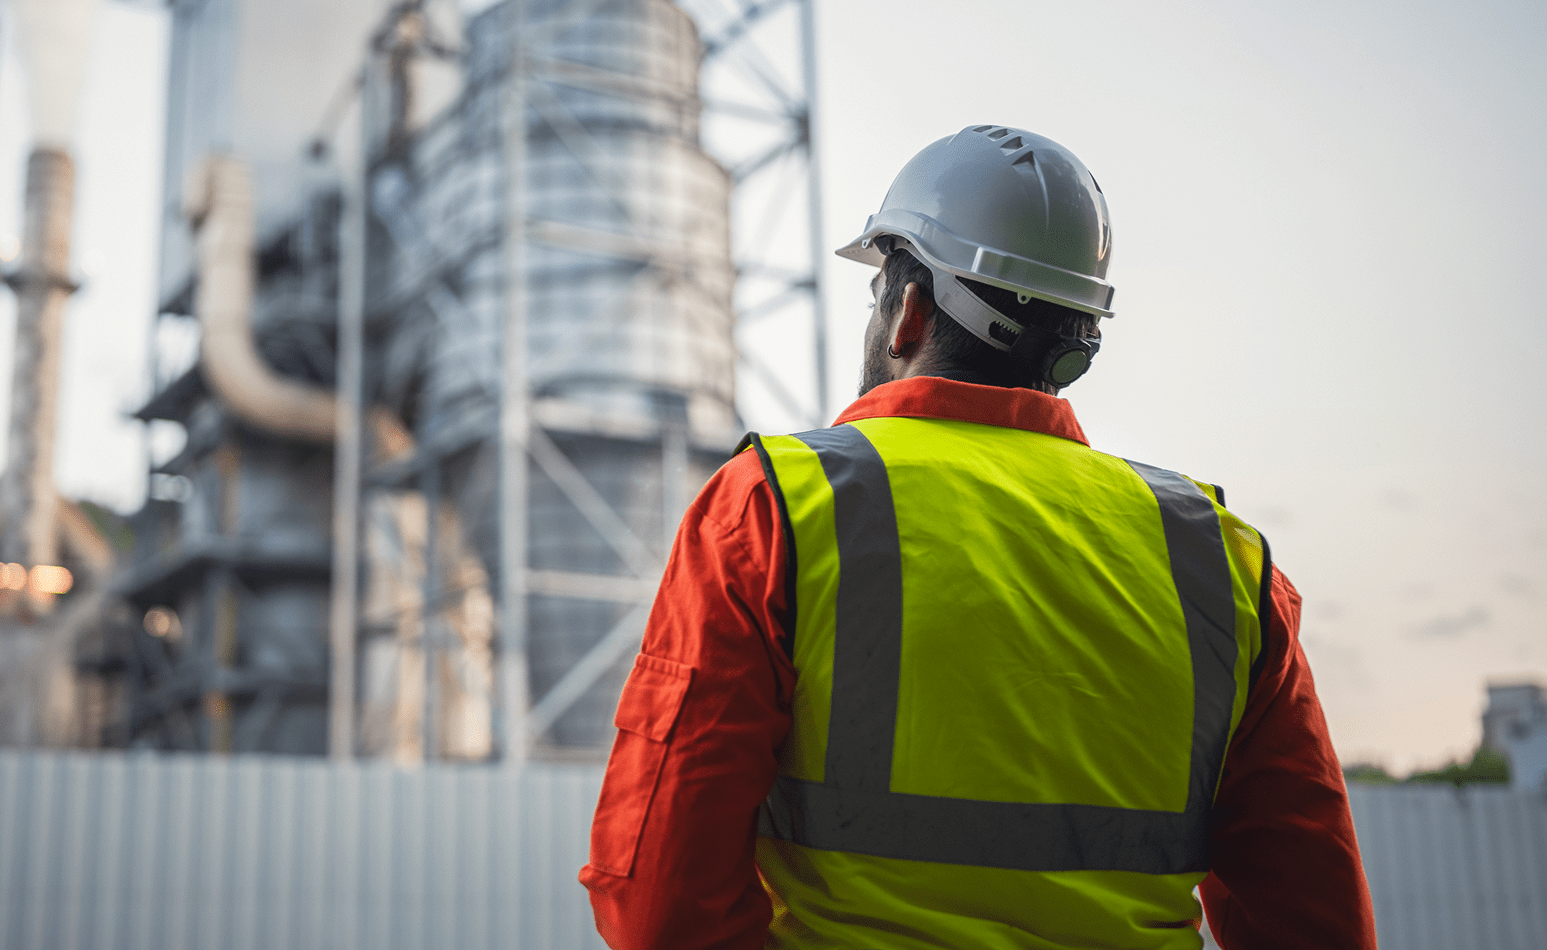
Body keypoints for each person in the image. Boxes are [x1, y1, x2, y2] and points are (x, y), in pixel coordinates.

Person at [578, 125, 1375, 949]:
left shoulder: (772, 511)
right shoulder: (1219, 561)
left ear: (907, 313)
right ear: (1077, 345)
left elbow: (661, 903)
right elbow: (1316, 921)